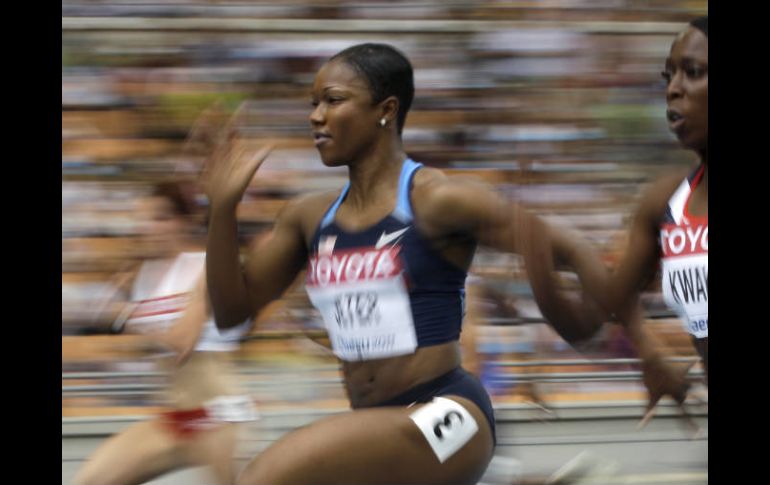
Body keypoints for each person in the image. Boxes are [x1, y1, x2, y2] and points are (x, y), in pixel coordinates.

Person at [203, 42, 622, 485]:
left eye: (334, 100)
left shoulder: (439, 200)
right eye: (313, 103)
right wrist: (222, 211)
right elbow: (231, 314)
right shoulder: (308, 218)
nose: (316, 115)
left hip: (447, 414)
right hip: (375, 420)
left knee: (262, 478)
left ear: (386, 109)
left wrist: (596, 330)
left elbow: (573, 248)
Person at [524, 16, 707, 428]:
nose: (674, 88)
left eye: (694, 72)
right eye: (669, 74)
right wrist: (649, 348)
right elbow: (593, 317)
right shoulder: (664, 202)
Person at [73, 181, 258, 485]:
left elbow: (182, 342)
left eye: (160, 218)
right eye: (143, 219)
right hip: (176, 417)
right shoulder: (140, 275)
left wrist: (123, 315)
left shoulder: (205, 268)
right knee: (90, 481)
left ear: (183, 223)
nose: (149, 227)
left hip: (218, 414)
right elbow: (126, 334)